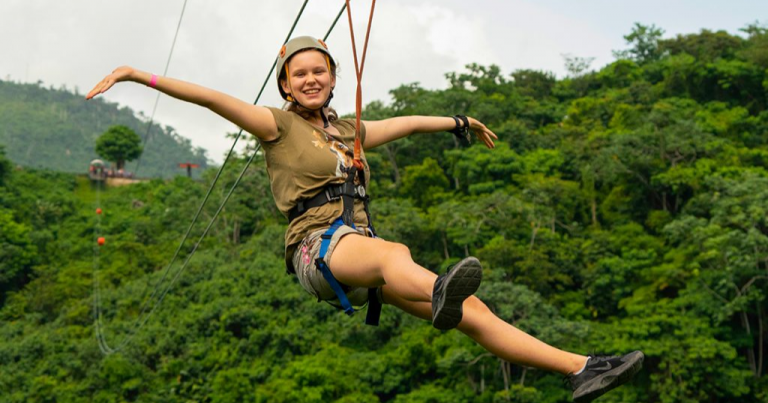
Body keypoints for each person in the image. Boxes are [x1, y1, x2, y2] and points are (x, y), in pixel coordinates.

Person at [86, 36, 643, 402]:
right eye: (298, 74)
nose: (309, 80)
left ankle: (579, 369)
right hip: (315, 248)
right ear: (284, 85)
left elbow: (403, 122)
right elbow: (210, 99)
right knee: (392, 255)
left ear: (332, 78)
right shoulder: (275, 125)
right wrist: (138, 75)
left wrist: (458, 122)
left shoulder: (349, 130)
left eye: (318, 72)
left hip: (355, 245)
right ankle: (440, 288)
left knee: (473, 311)